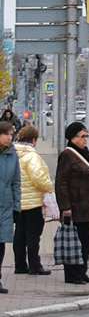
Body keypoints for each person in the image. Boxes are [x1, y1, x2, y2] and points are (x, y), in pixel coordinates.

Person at [54, 122, 89, 286]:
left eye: (87, 136)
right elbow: (61, 182)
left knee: (86, 242)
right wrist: (65, 207)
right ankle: (72, 274)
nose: (85, 139)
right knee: (74, 241)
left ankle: (82, 272)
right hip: (75, 207)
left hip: (88, 207)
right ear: (72, 138)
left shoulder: (85, 154)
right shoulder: (68, 155)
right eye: (82, 136)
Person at [13, 125, 53, 275]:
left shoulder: (12, 153)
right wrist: (48, 186)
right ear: (34, 140)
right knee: (33, 234)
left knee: (20, 234)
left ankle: (20, 265)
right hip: (32, 201)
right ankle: (35, 265)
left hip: (17, 201)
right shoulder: (32, 155)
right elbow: (38, 178)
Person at [0, 122, 19, 294]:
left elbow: (16, 183)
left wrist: (17, 208)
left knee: (1, 244)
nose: (9, 137)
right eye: (6, 134)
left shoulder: (12, 154)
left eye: (11, 134)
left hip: (5, 206)